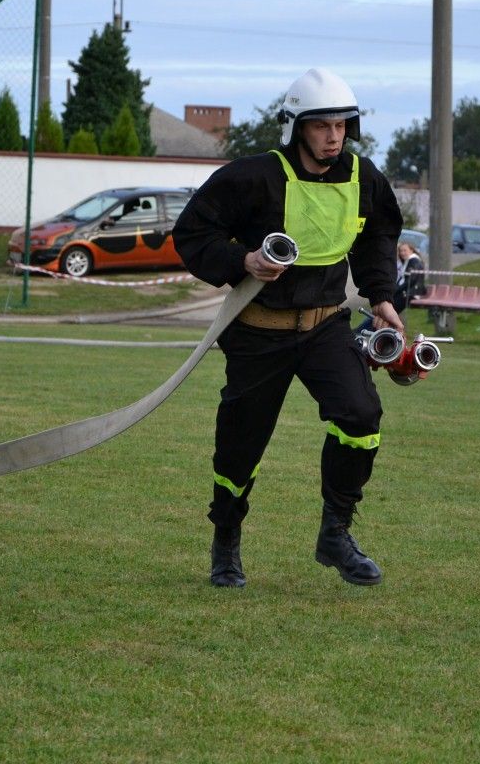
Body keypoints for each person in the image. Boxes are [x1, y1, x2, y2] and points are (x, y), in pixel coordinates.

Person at [172, 68, 403, 588]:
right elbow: (192, 231)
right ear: (296, 127)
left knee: (361, 416)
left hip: (326, 327)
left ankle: (336, 533)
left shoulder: (365, 178)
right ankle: (226, 543)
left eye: (342, 126)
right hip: (258, 331)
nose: (333, 136)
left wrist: (383, 296)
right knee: (239, 448)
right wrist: (243, 261)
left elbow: (379, 236)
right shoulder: (252, 176)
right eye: (321, 125)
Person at [354, 240, 424, 333]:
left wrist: (396, 290)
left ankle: (361, 330)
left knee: (382, 312)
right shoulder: (409, 261)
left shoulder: (414, 261)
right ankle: (362, 329)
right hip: (405, 292)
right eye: (401, 251)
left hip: (408, 294)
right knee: (381, 310)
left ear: (412, 250)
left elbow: (411, 280)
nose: (402, 253)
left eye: (405, 250)